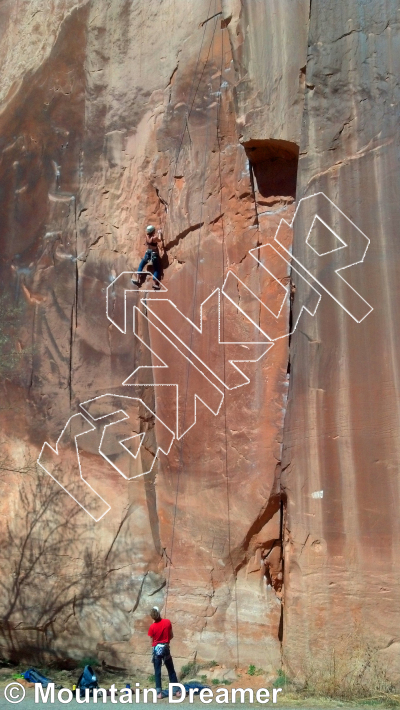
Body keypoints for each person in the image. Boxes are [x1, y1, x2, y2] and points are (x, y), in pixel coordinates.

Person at [148, 606, 181, 699]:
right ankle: (176, 690)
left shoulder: (152, 627)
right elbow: (171, 635)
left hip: (156, 650)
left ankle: (159, 693)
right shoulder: (167, 622)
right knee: (170, 669)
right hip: (165, 648)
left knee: (157, 671)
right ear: (159, 613)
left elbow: (151, 640)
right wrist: (166, 641)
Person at [132, 225, 163, 289]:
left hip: (148, 252)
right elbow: (159, 240)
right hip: (154, 254)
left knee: (141, 265)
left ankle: (138, 279)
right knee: (156, 269)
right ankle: (154, 284)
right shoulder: (154, 238)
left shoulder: (146, 236)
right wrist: (159, 233)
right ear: (153, 231)